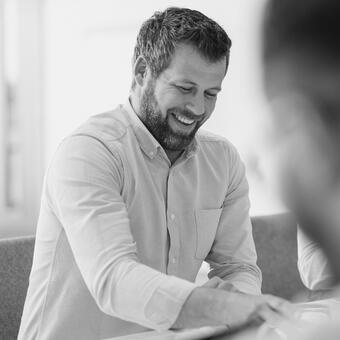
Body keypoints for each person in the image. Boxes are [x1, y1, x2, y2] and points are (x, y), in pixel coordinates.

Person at [18, 7, 290, 340]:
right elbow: (113, 280)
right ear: (142, 71)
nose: (198, 109)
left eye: (211, 93)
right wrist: (217, 306)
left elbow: (239, 268)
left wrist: (236, 297)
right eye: (185, 88)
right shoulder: (89, 152)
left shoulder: (223, 162)